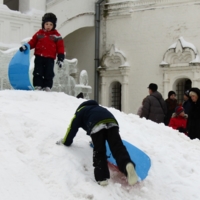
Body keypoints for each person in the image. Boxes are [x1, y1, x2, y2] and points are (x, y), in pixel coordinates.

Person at [56, 100, 138, 186]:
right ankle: (127, 164)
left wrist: (66, 142)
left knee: (99, 150)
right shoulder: (99, 108)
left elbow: (72, 128)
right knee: (117, 147)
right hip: (112, 122)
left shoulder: (80, 111)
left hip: (96, 125)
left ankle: (102, 178)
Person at [19, 13, 65, 91]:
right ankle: (38, 85)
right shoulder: (39, 34)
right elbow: (32, 42)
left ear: (54, 25)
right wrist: (26, 46)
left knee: (49, 73)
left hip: (50, 58)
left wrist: (60, 57)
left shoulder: (57, 36)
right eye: (46, 24)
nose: (48, 26)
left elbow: (60, 47)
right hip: (39, 56)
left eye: (51, 24)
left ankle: (47, 86)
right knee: (38, 71)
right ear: (43, 24)